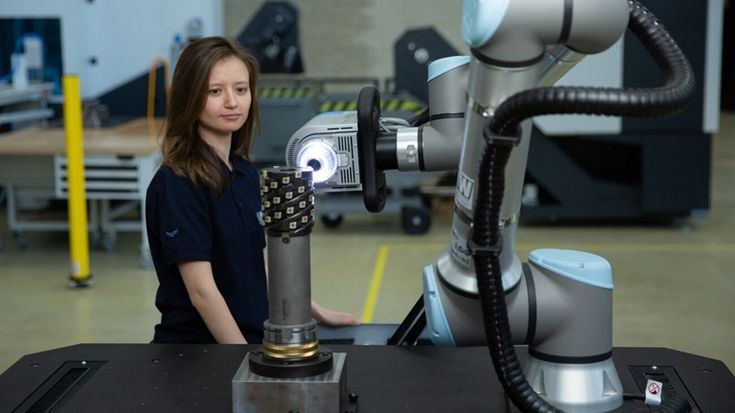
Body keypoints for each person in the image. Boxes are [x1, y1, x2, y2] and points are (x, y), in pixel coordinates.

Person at [146, 36, 360, 344]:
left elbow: (256, 266)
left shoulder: (244, 173)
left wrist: (314, 311)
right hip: (199, 354)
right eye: (215, 91)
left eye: (241, 89)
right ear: (189, 98)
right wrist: (244, 361)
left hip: (252, 340)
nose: (232, 102)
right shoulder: (178, 183)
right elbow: (201, 292)